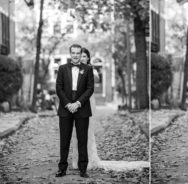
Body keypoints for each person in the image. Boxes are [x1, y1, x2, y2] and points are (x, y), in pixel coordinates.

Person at [71, 47, 150, 172]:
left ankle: (88, 160)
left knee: (87, 132)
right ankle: (76, 160)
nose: (82, 58)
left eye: (85, 56)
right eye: (81, 56)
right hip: (75, 105)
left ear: (88, 58)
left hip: (88, 105)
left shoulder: (91, 70)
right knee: (76, 133)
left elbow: (95, 78)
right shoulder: (73, 70)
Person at [55, 44, 94, 178]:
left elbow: (90, 89)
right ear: (70, 54)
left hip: (82, 109)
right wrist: (67, 104)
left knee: (82, 139)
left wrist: (77, 103)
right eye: (73, 53)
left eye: (78, 53)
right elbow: (59, 88)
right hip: (65, 110)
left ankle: (83, 169)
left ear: (80, 53)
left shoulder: (88, 69)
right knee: (64, 140)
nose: (76, 55)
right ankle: (62, 168)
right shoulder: (62, 68)